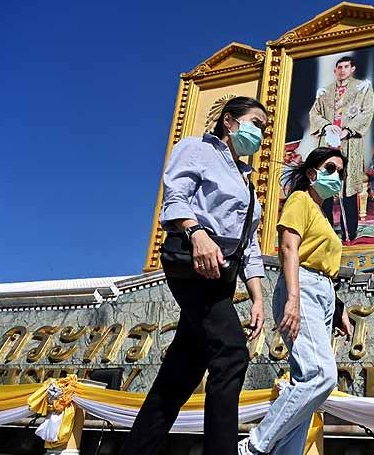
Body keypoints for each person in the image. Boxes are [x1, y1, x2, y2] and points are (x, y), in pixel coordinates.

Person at [120, 96, 268, 455]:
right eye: (256, 123)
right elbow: (175, 198)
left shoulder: (247, 180)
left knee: (181, 373)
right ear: (230, 122)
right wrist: (196, 234)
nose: (261, 133)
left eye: (264, 128)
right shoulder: (196, 149)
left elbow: (249, 246)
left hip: (222, 276)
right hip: (192, 261)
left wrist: (258, 296)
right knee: (231, 352)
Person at [238, 147, 353, 454]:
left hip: (324, 294)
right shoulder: (300, 199)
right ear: (312, 173)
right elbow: (289, 249)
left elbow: (324, 265)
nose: (337, 176)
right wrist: (293, 299)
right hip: (301, 287)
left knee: (307, 386)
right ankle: (253, 445)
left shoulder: (324, 217)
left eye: (341, 172)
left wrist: (338, 307)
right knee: (321, 375)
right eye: (331, 168)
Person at [309, 56, 374, 243]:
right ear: (335, 70)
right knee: (325, 189)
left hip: (349, 144)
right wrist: (326, 126)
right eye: (339, 67)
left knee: (348, 191)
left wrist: (349, 130)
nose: (342, 70)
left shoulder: (362, 88)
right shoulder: (325, 92)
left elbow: (367, 111)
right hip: (327, 145)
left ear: (352, 68)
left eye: (346, 67)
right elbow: (314, 113)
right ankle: (327, 232)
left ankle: (349, 234)